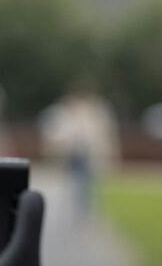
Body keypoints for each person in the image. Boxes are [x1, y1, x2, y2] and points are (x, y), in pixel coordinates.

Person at [39, 80, 119, 219]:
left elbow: (101, 135)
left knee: (84, 184)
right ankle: (78, 210)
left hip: (85, 155)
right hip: (72, 154)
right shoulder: (65, 112)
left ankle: (82, 211)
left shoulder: (93, 112)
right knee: (77, 184)